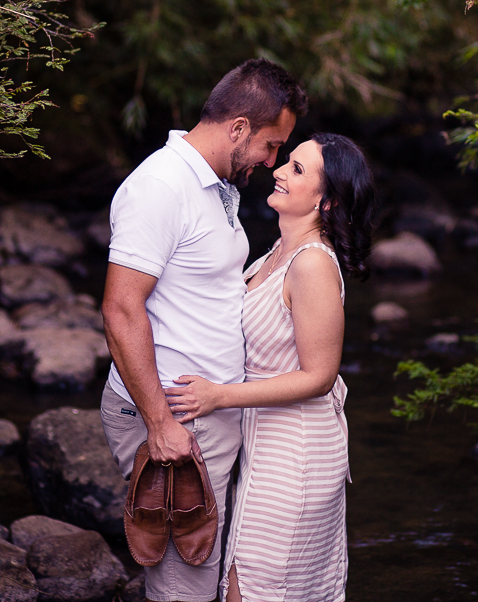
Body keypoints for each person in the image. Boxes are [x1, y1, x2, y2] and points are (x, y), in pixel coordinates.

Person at [100, 58, 308, 602]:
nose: (272, 161)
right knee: (183, 583)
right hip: (175, 415)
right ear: (238, 128)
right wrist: (160, 425)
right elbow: (121, 310)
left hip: (204, 409)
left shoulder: (212, 184)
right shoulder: (160, 187)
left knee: (200, 572)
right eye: (271, 145)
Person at [164, 132, 377, 602]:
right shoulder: (274, 254)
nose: (279, 170)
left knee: (256, 588)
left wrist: (219, 396)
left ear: (328, 202)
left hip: (297, 454)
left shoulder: (312, 265)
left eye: (298, 170)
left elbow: (320, 376)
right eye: (287, 161)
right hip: (262, 446)